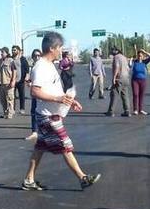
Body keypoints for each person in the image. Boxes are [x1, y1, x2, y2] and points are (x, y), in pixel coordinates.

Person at [22, 31, 101, 191]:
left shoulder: (49, 65)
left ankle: (28, 180)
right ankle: (82, 178)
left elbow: (54, 90)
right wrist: (58, 99)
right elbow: (34, 92)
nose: (61, 51)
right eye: (59, 47)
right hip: (47, 116)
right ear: (52, 48)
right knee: (66, 144)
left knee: (40, 148)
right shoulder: (41, 67)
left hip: (50, 113)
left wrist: (70, 101)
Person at [106, 47, 131, 117]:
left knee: (114, 94)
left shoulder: (116, 57)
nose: (112, 52)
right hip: (126, 78)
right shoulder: (124, 57)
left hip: (119, 78)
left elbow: (117, 66)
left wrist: (114, 77)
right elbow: (128, 68)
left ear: (116, 51)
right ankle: (127, 111)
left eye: (112, 50)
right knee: (125, 95)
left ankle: (111, 111)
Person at [0, 47, 17, 119]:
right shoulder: (0, 62)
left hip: (8, 83)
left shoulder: (11, 61)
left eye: (3, 52)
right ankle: (5, 112)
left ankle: (10, 113)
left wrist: (13, 81)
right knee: (2, 100)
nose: (1, 53)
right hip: (2, 83)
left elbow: (14, 71)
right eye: (1, 52)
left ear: (7, 53)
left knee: (10, 99)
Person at [26, 49, 43, 141]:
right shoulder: (32, 67)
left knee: (44, 113)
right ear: (32, 57)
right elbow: (30, 79)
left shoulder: (44, 67)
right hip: (35, 94)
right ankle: (34, 132)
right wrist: (29, 82)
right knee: (33, 112)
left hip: (43, 93)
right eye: (35, 56)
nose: (37, 57)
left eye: (38, 55)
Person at [130, 48, 150, 115]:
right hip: (135, 80)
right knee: (135, 94)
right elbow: (130, 65)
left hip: (143, 80)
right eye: (139, 55)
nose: (140, 57)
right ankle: (135, 109)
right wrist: (131, 60)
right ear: (137, 56)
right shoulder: (135, 62)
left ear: (143, 56)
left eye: (141, 56)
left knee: (141, 95)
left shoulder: (144, 62)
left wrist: (145, 52)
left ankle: (141, 109)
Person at [13, 45, 30, 115]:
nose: (13, 51)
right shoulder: (11, 59)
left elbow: (27, 68)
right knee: (12, 96)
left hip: (21, 80)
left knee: (21, 95)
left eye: (15, 50)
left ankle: (22, 108)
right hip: (12, 80)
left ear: (18, 51)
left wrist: (27, 76)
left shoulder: (23, 59)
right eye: (12, 50)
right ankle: (12, 109)